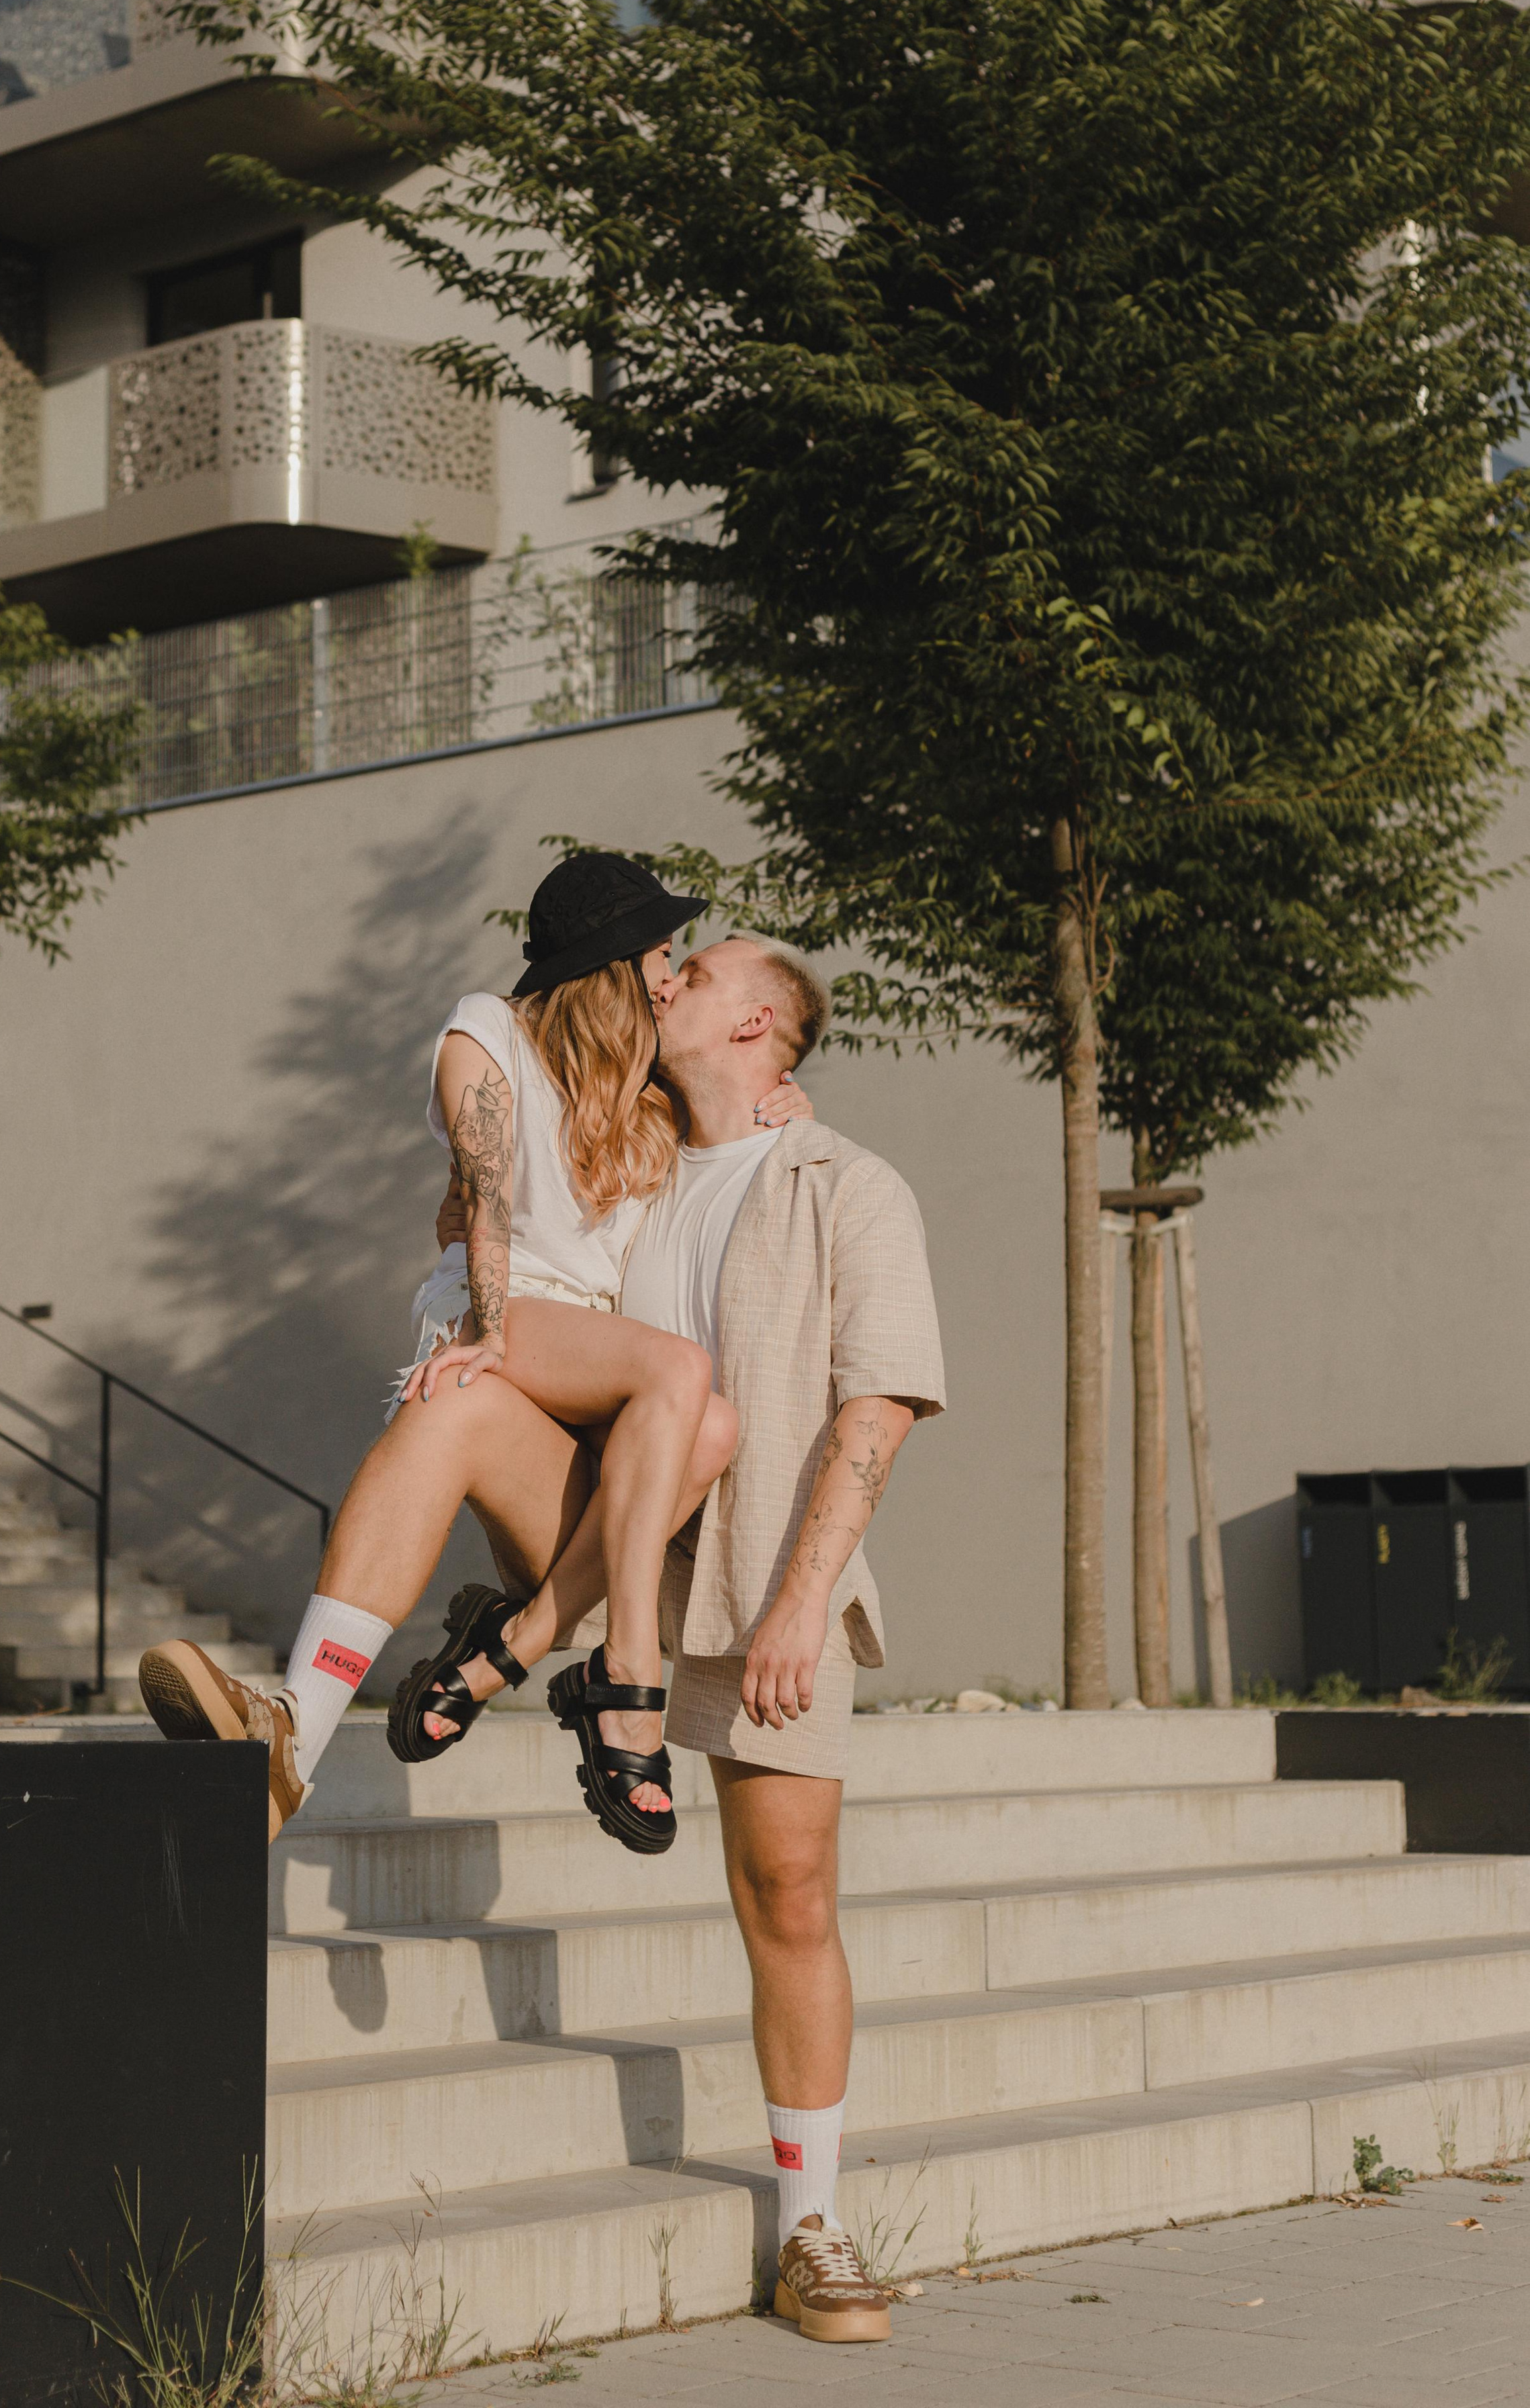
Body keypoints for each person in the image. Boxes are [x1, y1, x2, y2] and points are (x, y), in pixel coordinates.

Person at [364, 931, 947, 2344]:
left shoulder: (844, 1182)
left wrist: (804, 1600)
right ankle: (452, 1654)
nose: (669, 973)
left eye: (708, 966)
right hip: (603, 1524)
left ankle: (813, 2221)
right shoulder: (619, 1152)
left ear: (761, 1026)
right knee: (450, 1406)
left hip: (755, 1577)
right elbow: (499, 1212)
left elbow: (876, 1408)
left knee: (787, 1892)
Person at [136, 853, 806, 1847]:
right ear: (614, 962)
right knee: (655, 1375)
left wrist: (790, 1110)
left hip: (591, 1463)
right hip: (512, 1312)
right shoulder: (486, 1030)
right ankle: (611, 1685)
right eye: (664, 954)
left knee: (704, 1420)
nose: (673, 973)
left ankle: (478, 1661)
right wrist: (491, 1328)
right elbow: (486, 1198)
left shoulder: (651, 1094)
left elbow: (743, 1093)